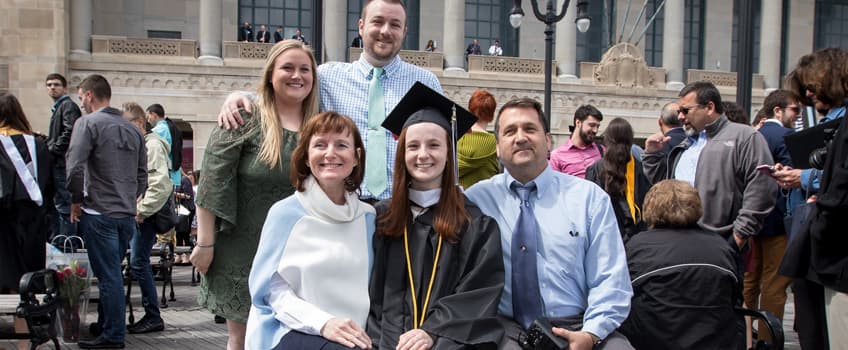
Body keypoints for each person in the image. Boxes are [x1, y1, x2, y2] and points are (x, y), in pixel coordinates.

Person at [216, 0, 443, 203]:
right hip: (344, 206)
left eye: (395, 24)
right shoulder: (327, 76)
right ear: (361, 26)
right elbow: (288, 94)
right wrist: (240, 97)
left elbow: (443, 148)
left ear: (404, 31)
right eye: (378, 22)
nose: (385, 31)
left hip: (403, 208)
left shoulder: (425, 82)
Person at [466, 98, 633, 350]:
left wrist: (590, 334)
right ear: (498, 147)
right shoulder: (476, 200)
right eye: (510, 131)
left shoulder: (589, 198)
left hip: (577, 324)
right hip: (506, 329)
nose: (520, 137)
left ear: (548, 141)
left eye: (530, 129)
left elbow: (610, 278)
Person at [190, 39, 317, 350]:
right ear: (271, 74)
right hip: (244, 249)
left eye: (305, 69)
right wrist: (205, 243)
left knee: (296, 334)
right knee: (244, 338)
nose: (296, 75)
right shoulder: (243, 120)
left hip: (300, 250)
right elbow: (212, 183)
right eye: (287, 68)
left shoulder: (318, 127)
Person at [369, 83, 505, 349]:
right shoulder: (378, 218)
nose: (423, 155)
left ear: (448, 154)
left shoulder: (475, 224)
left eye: (434, 145)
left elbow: (478, 293)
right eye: (413, 146)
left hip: (448, 342)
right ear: (402, 154)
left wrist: (432, 331)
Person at [247, 112, 375, 350]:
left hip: (354, 336)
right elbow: (270, 293)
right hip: (290, 329)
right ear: (306, 156)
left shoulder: (368, 218)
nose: (330, 153)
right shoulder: (285, 213)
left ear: (356, 157)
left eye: (341, 145)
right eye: (320, 145)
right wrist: (324, 323)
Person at [642, 81, 776, 253]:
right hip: (678, 244)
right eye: (679, 112)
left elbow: (761, 189)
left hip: (720, 244)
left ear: (709, 107)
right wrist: (652, 155)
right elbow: (664, 188)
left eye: (685, 110)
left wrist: (737, 239)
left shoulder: (745, 137)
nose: (681, 117)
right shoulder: (686, 145)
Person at [67, 74, 147, 349]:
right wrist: (128, 199)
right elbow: (142, 175)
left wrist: (76, 200)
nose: (81, 102)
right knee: (113, 272)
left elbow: (74, 166)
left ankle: (113, 335)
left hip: (99, 211)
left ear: (89, 95)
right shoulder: (134, 129)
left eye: (81, 97)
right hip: (125, 213)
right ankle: (106, 325)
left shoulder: (87, 123)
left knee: (109, 275)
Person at [779, 47, 848, 350]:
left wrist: (817, 207)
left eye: (813, 85)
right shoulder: (834, 122)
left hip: (833, 253)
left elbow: (841, 185)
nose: (808, 94)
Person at [619, 180, 741, 349]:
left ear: (650, 207)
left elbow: (620, 296)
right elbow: (735, 297)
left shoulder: (637, 247)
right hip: (716, 343)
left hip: (653, 341)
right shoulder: (721, 246)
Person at [743, 89, 800, 343]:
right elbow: (792, 177)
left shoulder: (751, 135)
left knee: (750, 280)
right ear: (778, 110)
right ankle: (767, 340)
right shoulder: (786, 135)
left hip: (751, 221)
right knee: (775, 285)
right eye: (794, 110)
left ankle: (744, 336)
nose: (796, 115)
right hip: (777, 221)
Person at [0, 92, 54, 350]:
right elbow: (50, 187)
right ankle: (26, 346)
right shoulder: (39, 145)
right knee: (25, 288)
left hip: (4, 225)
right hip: (33, 224)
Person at [121, 102, 170, 335]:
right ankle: (151, 315)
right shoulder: (143, 144)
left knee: (139, 263)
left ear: (140, 123)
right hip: (140, 213)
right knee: (137, 263)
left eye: (126, 123)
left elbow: (160, 184)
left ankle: (153, 315)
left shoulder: (152, 146)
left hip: (146, 215)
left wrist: (141, 211)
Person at [585, 118, 650, 243]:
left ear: (608, 139)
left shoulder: (595, 169)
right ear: (630, 140)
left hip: (605, 235)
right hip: (636, 238)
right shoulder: (640, 167)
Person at [45, 73, 81, 240]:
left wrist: (52, 150)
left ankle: (67, 244)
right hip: (58, 164)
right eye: (49, 84)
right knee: (59, 205)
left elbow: (69, 132)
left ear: (65, 88)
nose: (52, 87)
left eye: (56, 84)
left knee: (65, 206)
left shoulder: (67, 106)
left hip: (62, 165)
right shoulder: (59, 108)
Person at [549, 104, 604, 178]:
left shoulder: (602, 151)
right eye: (592, 125)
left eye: (597, 126)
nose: (595, 130)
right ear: (578, 123)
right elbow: (554, 185)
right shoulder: (557, 155)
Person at [458, 89, 498, 189]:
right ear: (492, 114)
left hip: (456, 199)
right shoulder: (496, 143)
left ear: (470, 110)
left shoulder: (456, 137)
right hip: (484, 200)